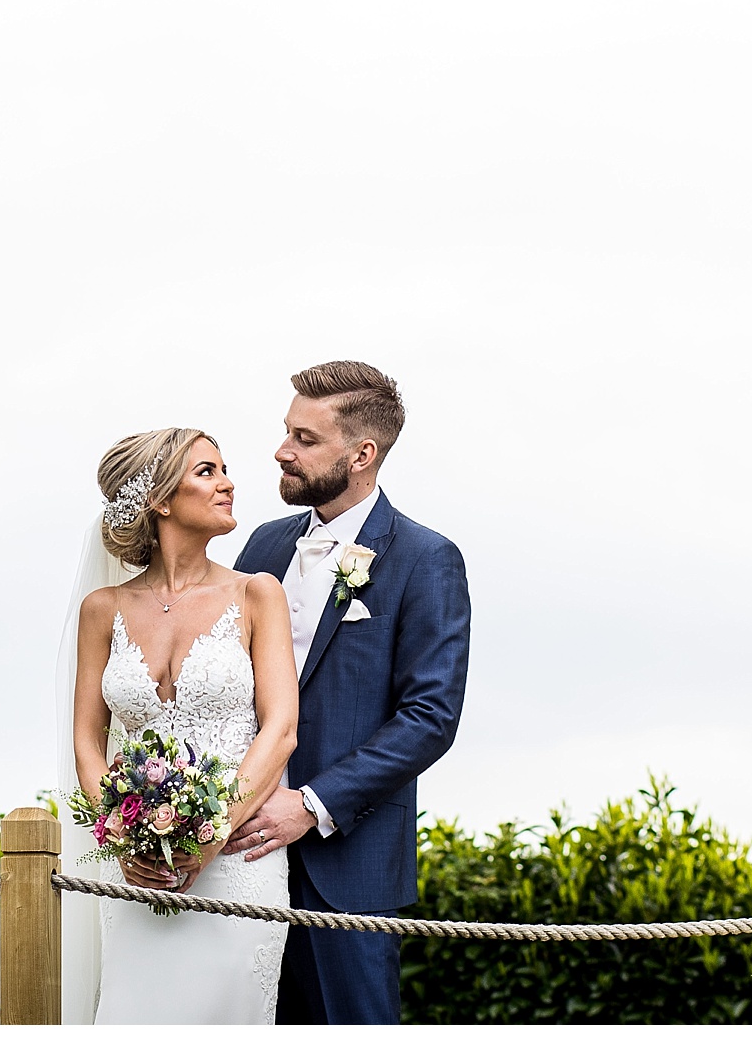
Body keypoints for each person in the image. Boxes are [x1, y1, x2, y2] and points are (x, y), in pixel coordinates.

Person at [228, 361, 471, 1025]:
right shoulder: (263, 545)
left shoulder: (426, 559)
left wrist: (311, 804)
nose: (282, 450)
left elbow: (430, 717)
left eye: (305, 438)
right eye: (286, 432)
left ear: (362, 454)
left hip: (349, 868)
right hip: (236, 855)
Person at [61, 427, 300, 1024]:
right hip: (138, 869)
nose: (228, 483)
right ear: (162, 500)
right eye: (207, 471)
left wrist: (213, 832)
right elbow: (88, 741)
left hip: (239, 861)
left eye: (224, 469)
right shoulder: (103, 609)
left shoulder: (256, 594)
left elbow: (281, 730)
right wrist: (123, 838)